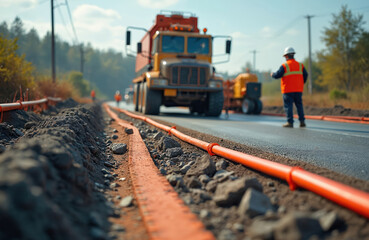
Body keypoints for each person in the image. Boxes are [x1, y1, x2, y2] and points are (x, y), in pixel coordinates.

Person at [270, 47, 308, 128]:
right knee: (299, 105)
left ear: (286, 56)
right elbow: (306, 75)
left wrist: (272, 74)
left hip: (288, 90)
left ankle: (290, 122)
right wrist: (301, 83)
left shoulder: (284, 66)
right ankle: (302, 121)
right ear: (293, 55)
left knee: (288, 106)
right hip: (298, 89)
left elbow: (277, 75)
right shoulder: (300, 65)